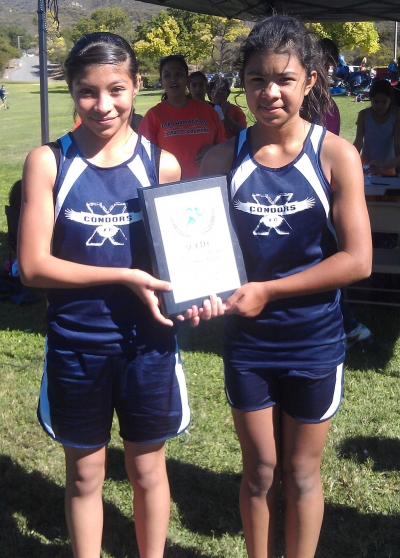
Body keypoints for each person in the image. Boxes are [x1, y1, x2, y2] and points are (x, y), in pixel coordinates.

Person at [18, 32, 221, 558]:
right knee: (84, 474)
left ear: (137, 87)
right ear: (72, 92)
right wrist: (124, 277)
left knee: (147, 471)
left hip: (146, 347)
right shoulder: (49, 163)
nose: (103, 105)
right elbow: (34, 267)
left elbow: (177, 261)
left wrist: (198, 291)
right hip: (76, 344)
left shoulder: (163, 166)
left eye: (116, 89)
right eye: (87, 92)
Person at [199, 15, 372, 558]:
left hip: (314, 340)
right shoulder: (221, 160)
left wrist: (269, 291)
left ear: (310, 81)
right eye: (256, 79)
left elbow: (358, 260)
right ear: (242, 82)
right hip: (248, 344)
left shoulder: (335, 155)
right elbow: (200, 251)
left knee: (299, 473)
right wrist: (197, 287)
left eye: (284, 79)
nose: (270, 92)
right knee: (259, 472)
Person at [320, 38, 372, 349]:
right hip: (323, 187)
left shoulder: (324, 104)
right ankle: (350, 325)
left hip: (323, 189)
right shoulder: (325, 102)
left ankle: (350, 326)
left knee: (324, 256)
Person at [138, 55, 225, 179]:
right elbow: (144, 156)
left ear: (187, 80)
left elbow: (224, 147)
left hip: (208, 183)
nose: (173, 79)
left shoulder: (208, 111)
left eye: (178, 74)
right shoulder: (153, 116)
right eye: (167, 75)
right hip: (170, 188)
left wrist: (213, 151)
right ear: (161, 82)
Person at [353, 79, 400, 176]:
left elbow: (397, 144)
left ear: (390, 100)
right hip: (367, 164)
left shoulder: (396, 114)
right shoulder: (364, 115)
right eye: (376, 101)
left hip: (388, 165)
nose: (380, 105)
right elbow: (358, 142)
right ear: (370, 99)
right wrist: (351, 160)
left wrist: (394, 164)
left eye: (384, 101)